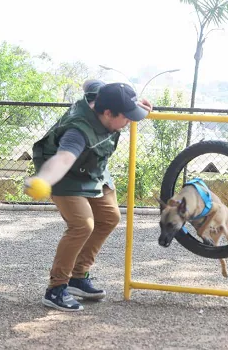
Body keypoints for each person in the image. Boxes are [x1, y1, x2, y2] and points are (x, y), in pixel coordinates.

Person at [26, 81, 153, 311]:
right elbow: (64, 159)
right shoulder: (77, 131)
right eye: (126, 116)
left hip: (92, 168)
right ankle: (56, 288)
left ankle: (77, 276)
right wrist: (43, 180)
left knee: (109, 218)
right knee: (82, 225)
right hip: (62, 173)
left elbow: (91, 83)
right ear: (107, 112)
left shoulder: (103, 96)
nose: (129, 121)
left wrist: (138, 107)